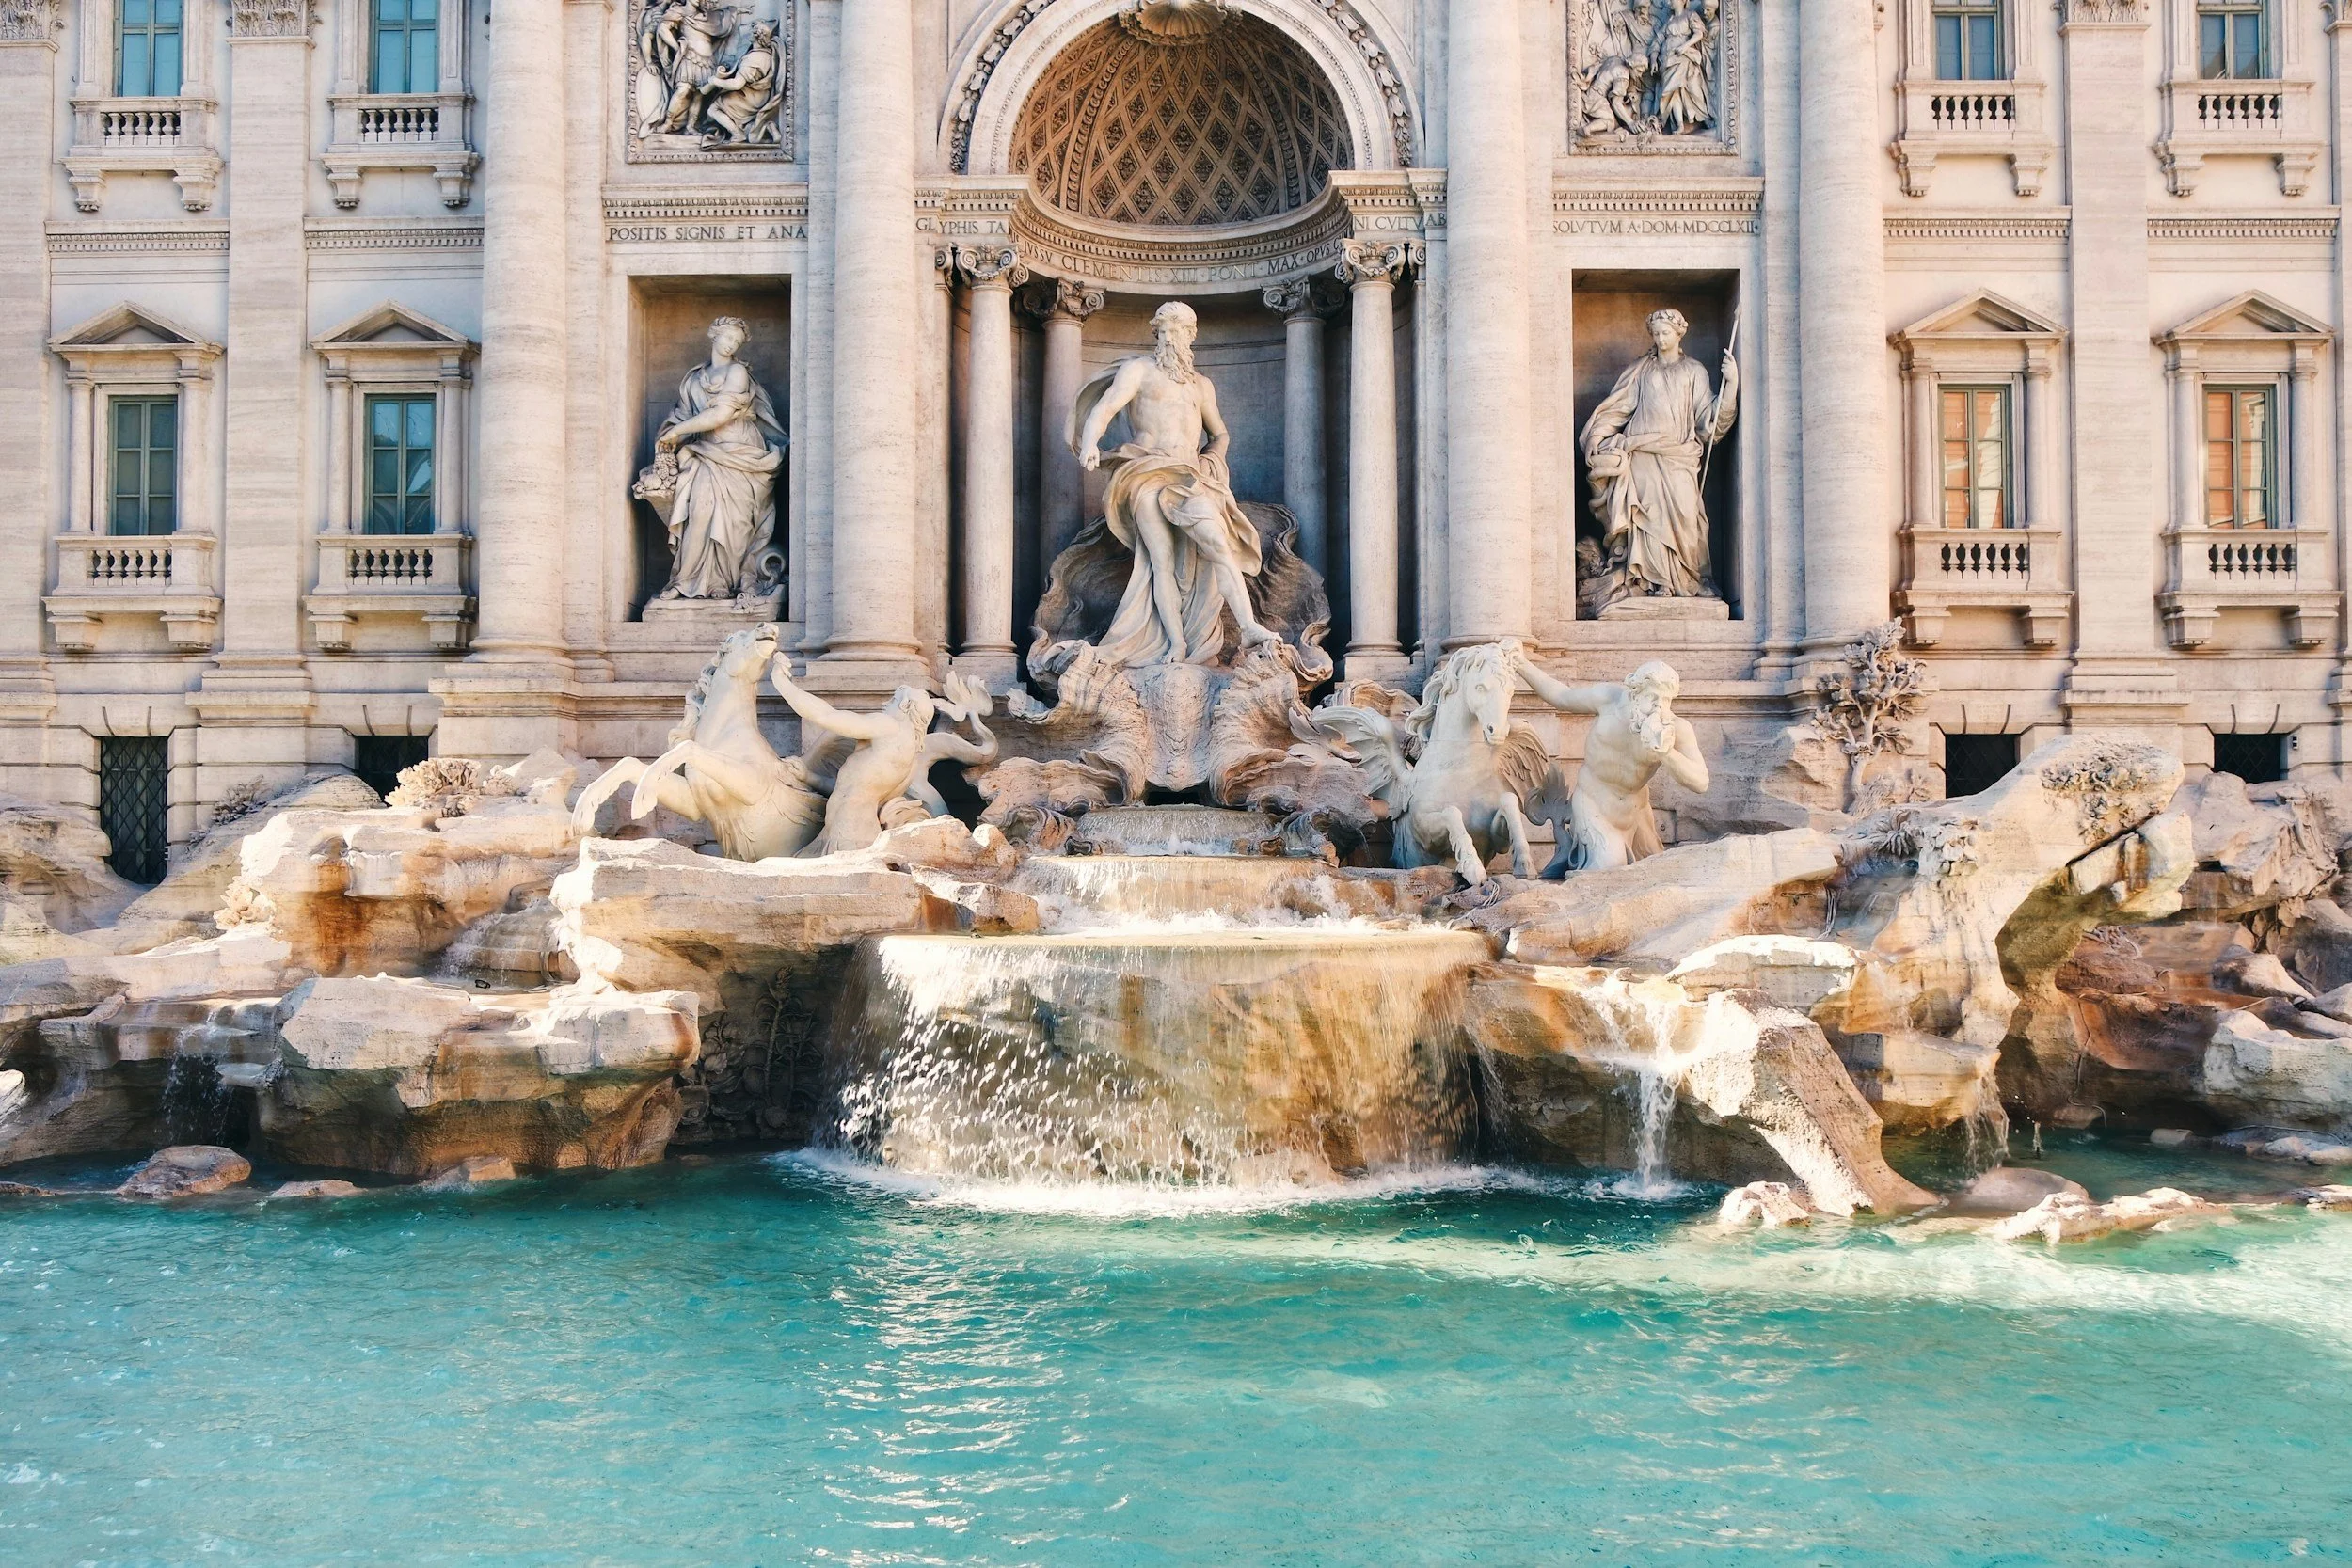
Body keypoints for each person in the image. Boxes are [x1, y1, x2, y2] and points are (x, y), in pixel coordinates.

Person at [1067, 300, 1280, 667]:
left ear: (1190, 336)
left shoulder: (1201, 386)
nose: (1168, 338)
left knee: (1217, 542)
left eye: (1176, 331)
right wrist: (1089, 444)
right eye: (1163, 331)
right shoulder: (1139, 371)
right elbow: (1104, 409)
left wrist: (1213, 458)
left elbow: (1220, 433)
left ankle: (1248, 626)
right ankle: (1176, 645)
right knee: (1159, 560)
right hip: (1145, 472)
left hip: (1189, 476)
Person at [1504, 644, 1709, 875]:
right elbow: (1561, 696)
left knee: (1650, 878)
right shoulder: (1608, 700)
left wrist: (1666, 753)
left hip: (1636, 812)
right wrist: (1521, 664)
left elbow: (1701, 782)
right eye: (1652, 697)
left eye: (1666, 700)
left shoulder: (1675, 729)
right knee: (1608, 871)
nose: (1659, 707)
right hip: (1593, 804)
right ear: (1635, 692)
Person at [1579, 307, 1737, 602]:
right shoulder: (1642, 370)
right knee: (1647, 519)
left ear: (1679, 334)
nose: (1661, 339)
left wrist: (1731, 386)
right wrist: (1598, 435)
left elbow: (1709, 420)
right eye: (1656, 334)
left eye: (1666, 333)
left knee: (1688, 519)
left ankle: (1689, 578)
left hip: (1679, 456)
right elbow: (1618, 407)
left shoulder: (1694, 371)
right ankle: (1653, 581)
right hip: (1642, 454)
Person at [642, 316, 785, 602]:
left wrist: (679, 431)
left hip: (741, 455)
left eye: (737, 341)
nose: (731, 344)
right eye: (727, 337)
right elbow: (681, 416)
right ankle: (687, 581)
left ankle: (726, 583)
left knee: (734, 523)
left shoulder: (737, 373)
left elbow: (719, 416)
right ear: (713, 334)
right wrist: (671, 436)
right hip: (705, 454)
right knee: (700, 511)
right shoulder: (694, 379)